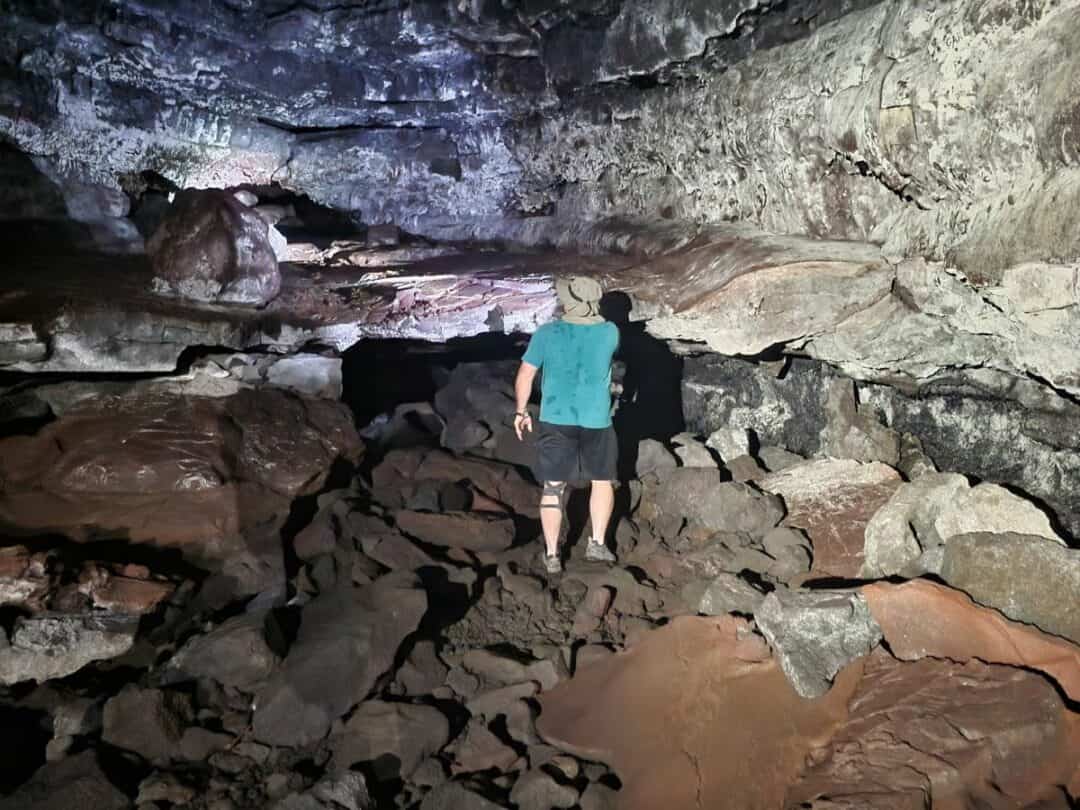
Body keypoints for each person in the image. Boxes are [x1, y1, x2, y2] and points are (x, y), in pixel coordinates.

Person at [513, 275, 619, 574]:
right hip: (597, 419)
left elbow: (525, 375)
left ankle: (551, 554)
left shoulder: (546, 333)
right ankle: (597, 544)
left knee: (554, 486)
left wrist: (521, 412)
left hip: (556, 419)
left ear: (568, 302)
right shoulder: (611, 332)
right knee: (602, 480)